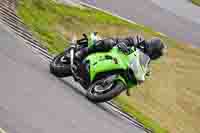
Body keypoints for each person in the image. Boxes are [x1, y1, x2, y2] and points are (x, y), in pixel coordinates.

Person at [75, 33, 166, 95]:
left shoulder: (147, 60)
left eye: (158, 55)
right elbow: (128, 40)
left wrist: (145, 73)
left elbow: (142, 69)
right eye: (156, 53)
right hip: (116, 50)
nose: (156, 56)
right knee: (109, 43)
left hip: (123, 64)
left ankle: (101, 79)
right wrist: (123, 44)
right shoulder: (140, 41)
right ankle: (83, 52)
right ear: (153, 46)